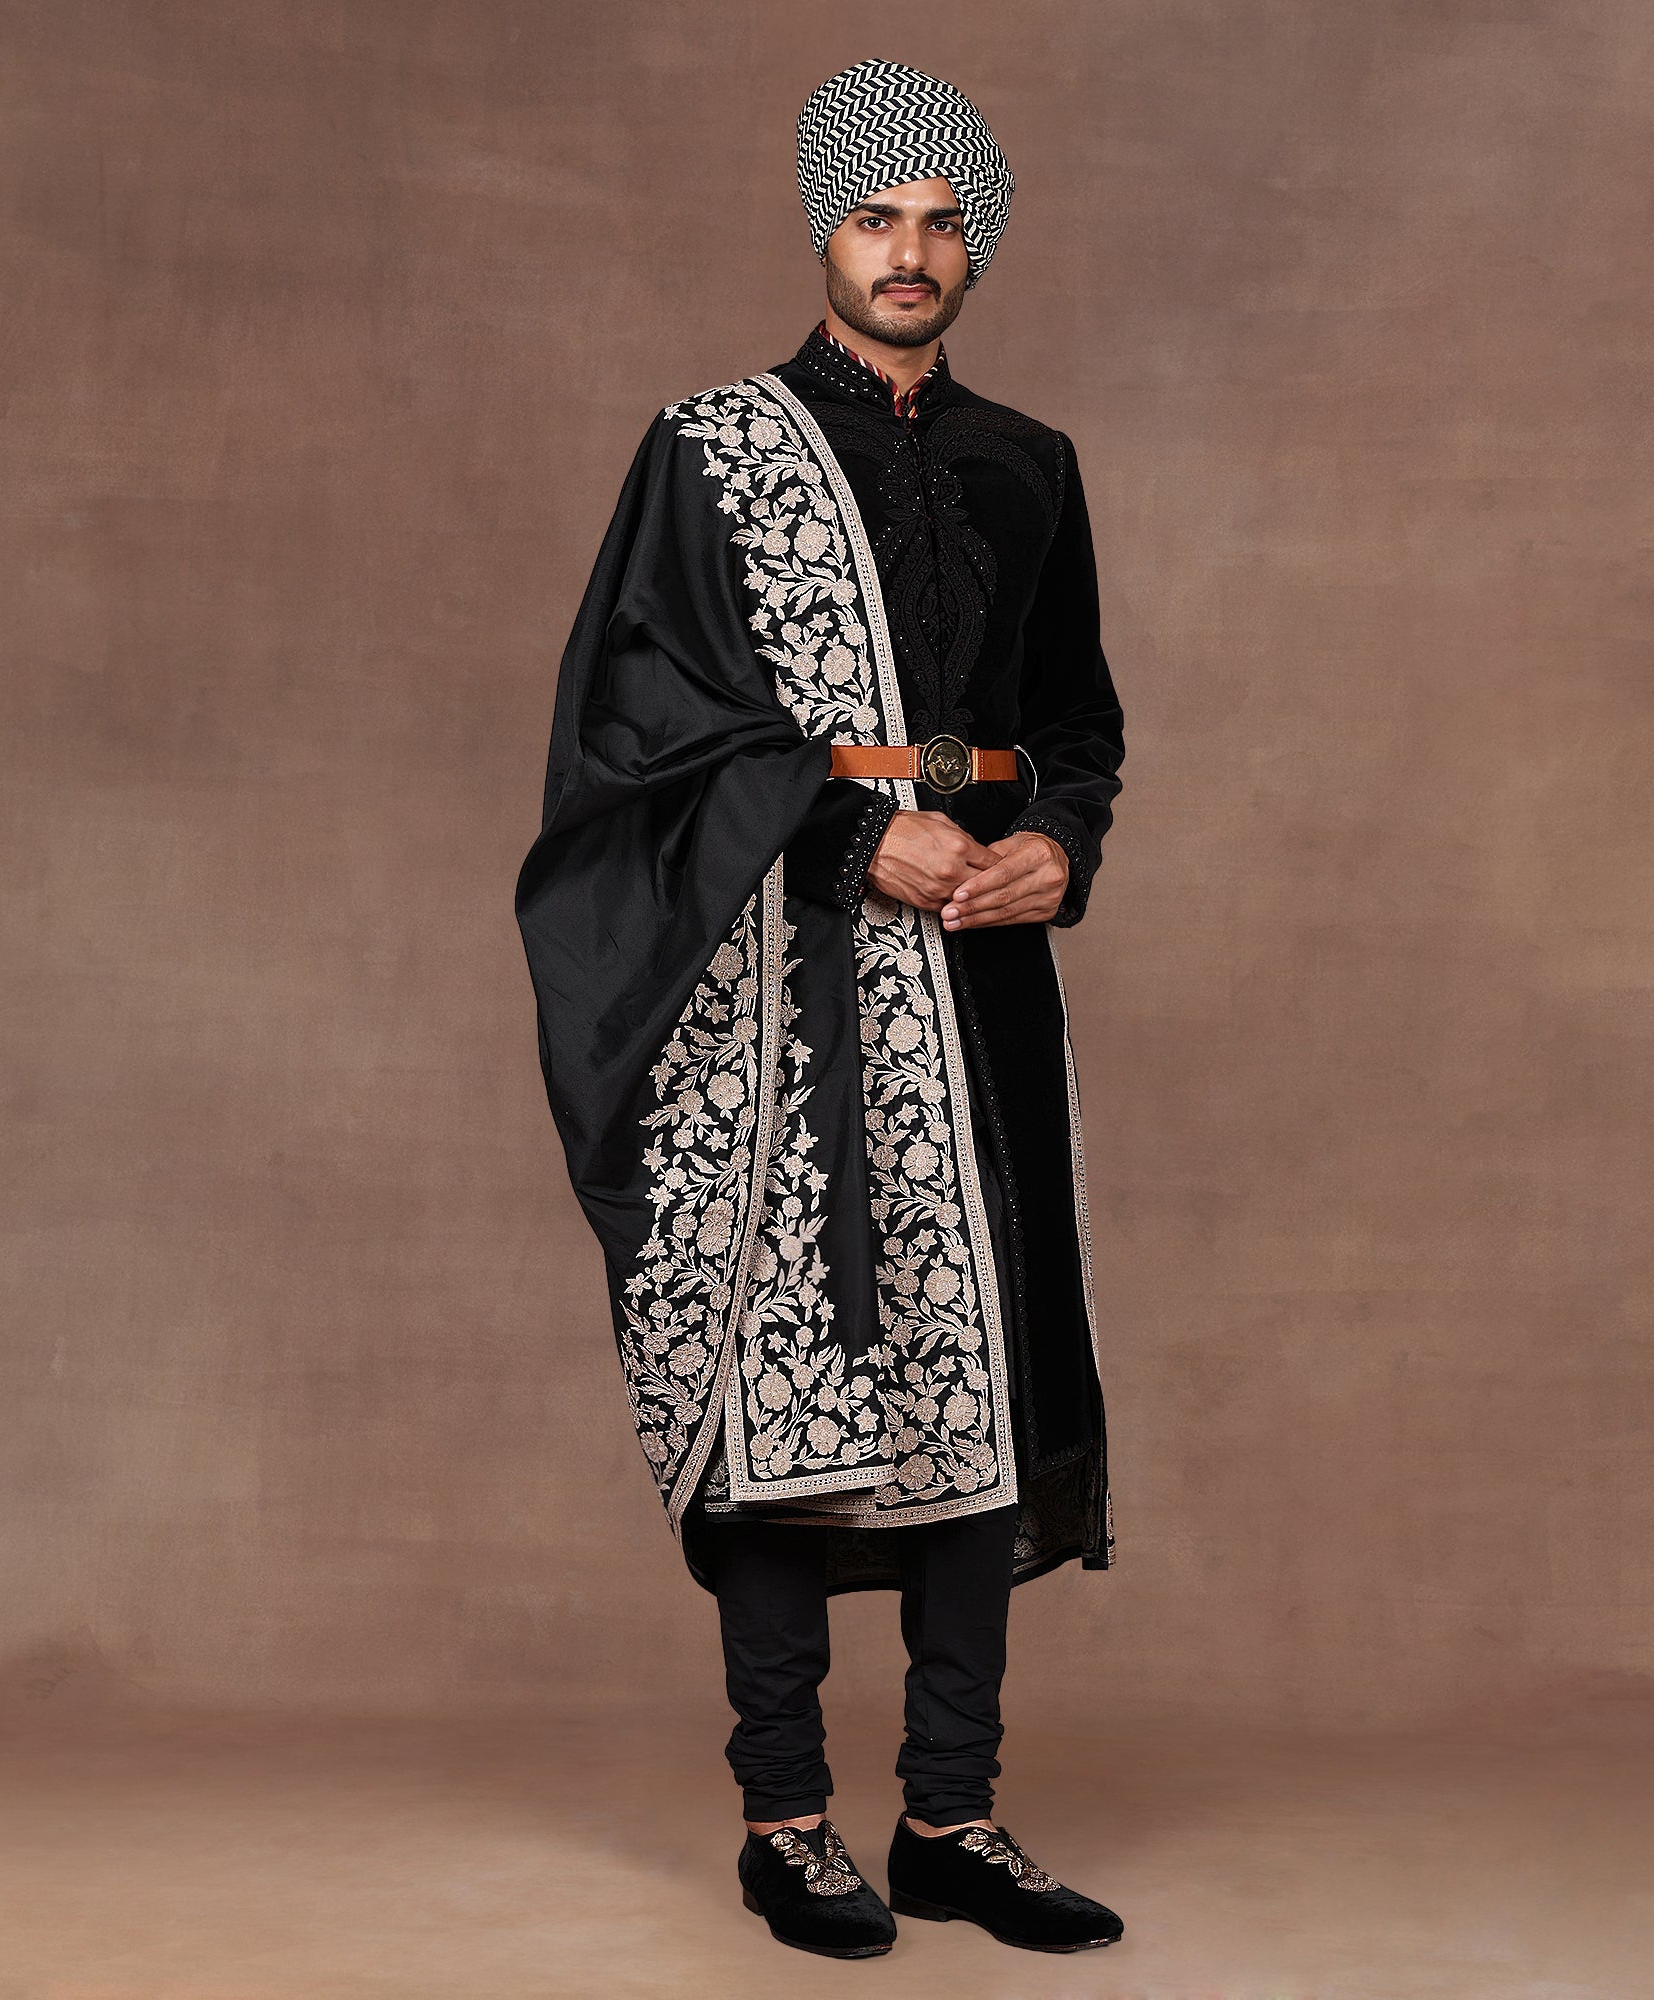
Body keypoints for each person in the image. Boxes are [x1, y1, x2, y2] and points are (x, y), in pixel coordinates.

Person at [515, 57, 1126, 1959]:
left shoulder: (1033, 464)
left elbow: (1079, 724)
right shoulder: (711, 451)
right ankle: (788, 1819)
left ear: (976, 246)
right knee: (794, 1388)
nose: (909, 252)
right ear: (825, 232)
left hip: (985, 982)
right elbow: (640, 722)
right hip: (775, 985)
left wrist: (1060, 847)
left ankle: (952, 1816)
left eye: (942, 223)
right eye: (878, 218)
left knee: (976, 1371)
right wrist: (857, 836)